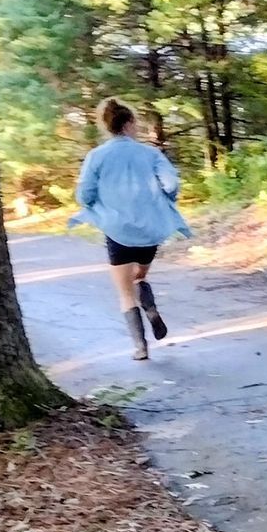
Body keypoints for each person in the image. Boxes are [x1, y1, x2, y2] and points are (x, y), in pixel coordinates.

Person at [73, 99, 191, 362]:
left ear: (107, 126)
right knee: (139, 274)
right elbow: (171, 184)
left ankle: (140, 346)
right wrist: (164, 201)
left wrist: (96, 204)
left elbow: (84, 195)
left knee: (124, 292)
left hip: (117, 230)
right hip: (150, 229)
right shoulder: (151, 154)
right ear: (129, 124)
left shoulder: (96, 156)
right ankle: (146, 295)